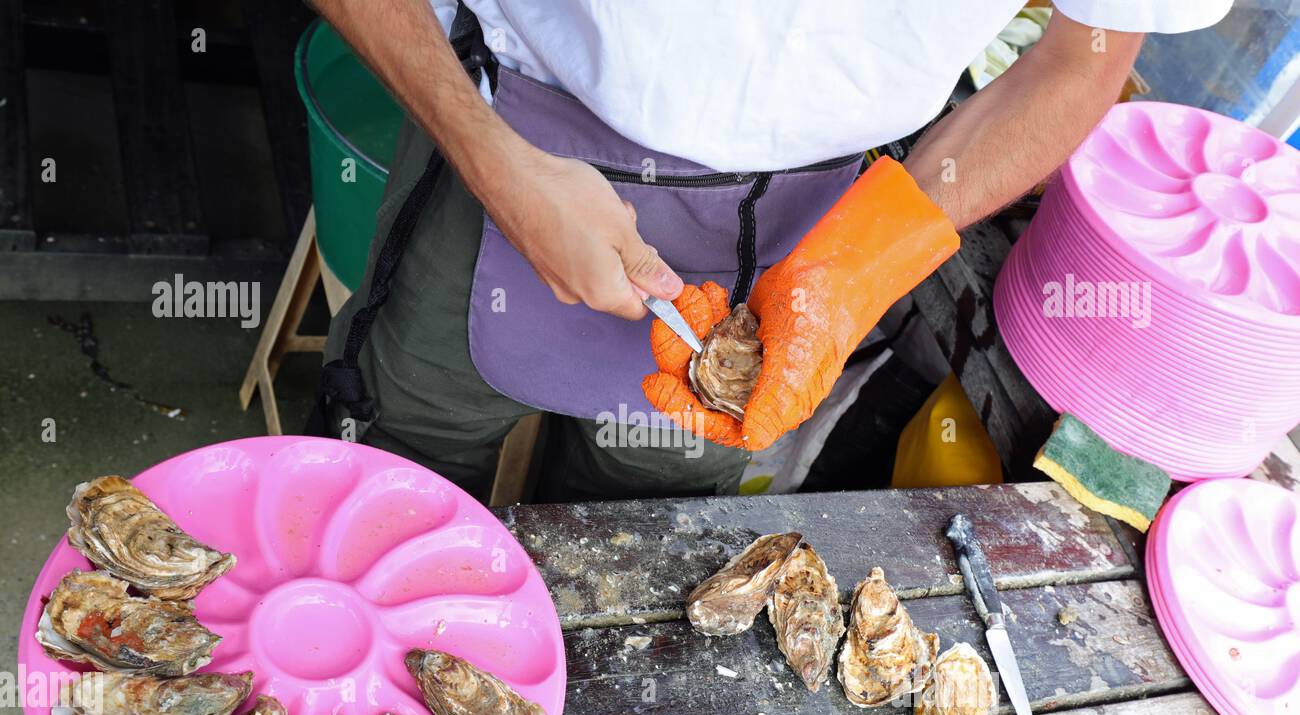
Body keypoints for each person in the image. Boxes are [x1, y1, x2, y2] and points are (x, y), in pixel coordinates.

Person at [311, 0, 1232, 502]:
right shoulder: (497, 161)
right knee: (391, 463)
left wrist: (853, 273)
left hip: (805, 226)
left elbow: (1087, 55)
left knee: (648, 520)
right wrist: (494, 163)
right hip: (508, 140)